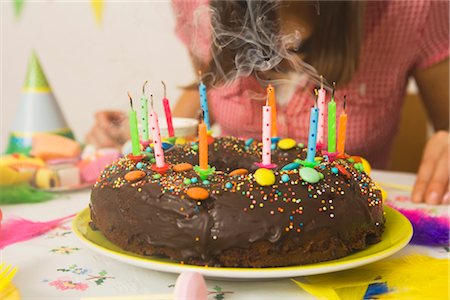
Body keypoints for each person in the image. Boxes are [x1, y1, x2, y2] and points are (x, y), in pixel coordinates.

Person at [86, 0, 449, 204]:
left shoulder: (413, 7)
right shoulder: (199, 6)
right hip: (222, 216)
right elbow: (206, 91)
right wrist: (140, 136)